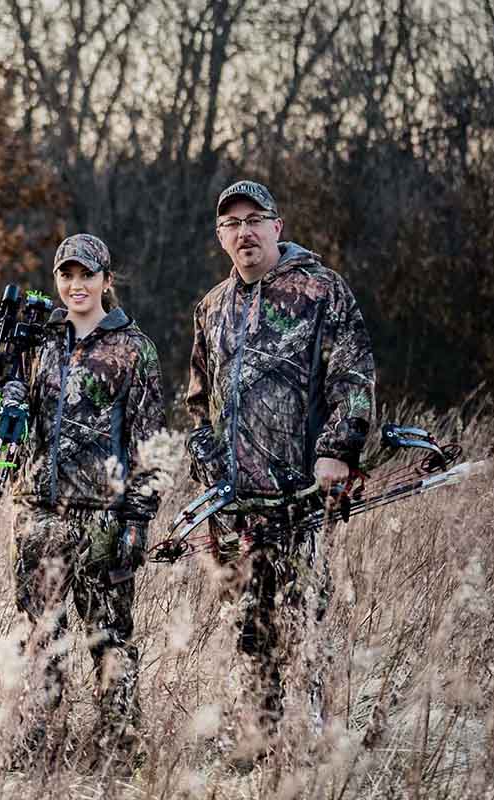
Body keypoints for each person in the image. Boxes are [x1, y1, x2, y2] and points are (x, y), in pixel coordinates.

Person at [186, 180, 376, 745]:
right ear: (221, 237)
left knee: (304, 619)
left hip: (300, 496)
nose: (243, 231)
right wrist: (207, 463)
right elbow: (198, 401)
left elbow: (354, 376)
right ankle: (262, 739)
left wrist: (337, 451)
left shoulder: (321, 290)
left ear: (277, 226)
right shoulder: (213, 307)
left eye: (254, 219)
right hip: (236, 503)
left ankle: (316, 739)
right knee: (249, 627)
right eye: (231, 224)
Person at [0, 233, 165, 769]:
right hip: (41, 512)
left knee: (109, 636)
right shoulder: (41, 344)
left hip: (103, 518)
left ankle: (119, 746)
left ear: (106, 281)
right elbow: (18, 427)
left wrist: (136, 520)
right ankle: (41, 739)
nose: (76, 285)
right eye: (67, 276)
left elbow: (151, 443)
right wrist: (11, 395)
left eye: (87, 275)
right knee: (43, 633)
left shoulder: (134, 348)